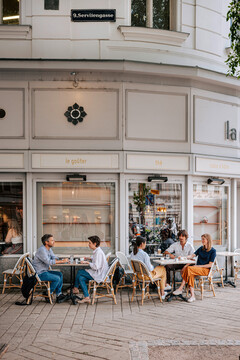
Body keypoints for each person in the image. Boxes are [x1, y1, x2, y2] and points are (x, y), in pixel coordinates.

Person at [173, 233, 216, 303]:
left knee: (188, 269)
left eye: (203, 239)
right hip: (196, 269)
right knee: (190, 273)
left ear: (207, 240)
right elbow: (192, 256)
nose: (202, 240)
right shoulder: (201, 249)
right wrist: (183, 257)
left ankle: (181, 288)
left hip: (205, 270)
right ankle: (192, 296)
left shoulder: (213, 251)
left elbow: (210, 265)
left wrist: (198, 266)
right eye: (202, 239)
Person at [32, 234, 69, 303]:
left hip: (45, 271)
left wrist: (60, 259)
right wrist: (62, 261)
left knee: (60, 274)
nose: (54, 241)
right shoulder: (42, 250)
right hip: (40, 273)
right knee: (57, 278)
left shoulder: (49, 249)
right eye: (52, 240)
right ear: (46, 242)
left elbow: (53, 257)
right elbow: (49, 262)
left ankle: (59, 294)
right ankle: (48, 293)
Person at [73, 235, 109, 304]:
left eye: (89, 243)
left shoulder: (98, 252)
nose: (88, 244)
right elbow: (96, 260)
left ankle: (75, 289)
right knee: (81, 278)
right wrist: (90, 258)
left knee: (80, 272)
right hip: (99, 272)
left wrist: (87, 262)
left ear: (94, 243)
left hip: (99, 274)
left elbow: (96, 266)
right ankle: (87, 297)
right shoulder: (97, 251)